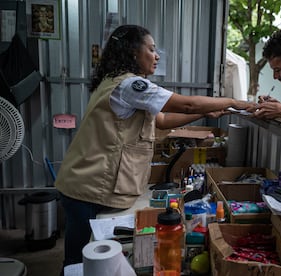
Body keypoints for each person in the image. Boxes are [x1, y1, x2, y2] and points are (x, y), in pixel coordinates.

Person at [54, 24, 255, 268]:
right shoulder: (130, 85)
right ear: (132, 53)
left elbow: (162, 120)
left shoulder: (116, 82)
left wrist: (210, 112)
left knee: (84, 259)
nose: (157, 55)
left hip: (83, 182)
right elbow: (188, 105)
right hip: (87, 186)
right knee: (80, 263)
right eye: (151, 49)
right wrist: (235, 101)